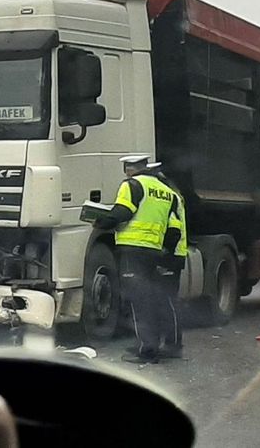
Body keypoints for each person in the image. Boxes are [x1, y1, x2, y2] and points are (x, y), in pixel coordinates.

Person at [94, 155, 180, 364]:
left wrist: (101, 223)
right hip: (155, 252)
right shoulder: (168, 192)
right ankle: (157, 346)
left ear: (130, 169)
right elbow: (174, 229)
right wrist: (164, 250)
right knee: (152, 299)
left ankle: (147, 351)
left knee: (138, 302)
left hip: (132, 250)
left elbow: (123, 211)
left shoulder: (131, 185)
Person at [153, 163, 187, 358]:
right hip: (172, 254)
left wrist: (165, 253)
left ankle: (174, 344)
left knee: (167, 301)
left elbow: (173, 230)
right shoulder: (172, 194)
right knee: (162, 300)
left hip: (171, 256)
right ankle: (164, 342)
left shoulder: (169, 197)